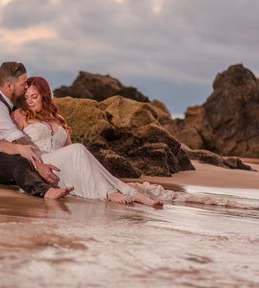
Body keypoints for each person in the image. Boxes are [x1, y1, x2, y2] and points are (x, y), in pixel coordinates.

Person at [9, 76, 164, 207]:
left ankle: (133, 194)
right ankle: (110, 193)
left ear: (45, 96)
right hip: (41, 163)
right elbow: (8, 141)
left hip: (61, 166)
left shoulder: (57, 119)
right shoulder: (20, 115)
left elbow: (69, 150)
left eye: (34, 96)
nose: (29, 101)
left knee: (81, 153)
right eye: (26, 97)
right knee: (79, 149)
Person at [0, 62, 73, 200]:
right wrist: (39, 165)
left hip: (4, 152)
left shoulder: (13, 101)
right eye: (23, 84)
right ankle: (45, 191)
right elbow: (19, 139)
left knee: (21, 159)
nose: (26, 86)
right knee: (19, 162)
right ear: (10, 86)